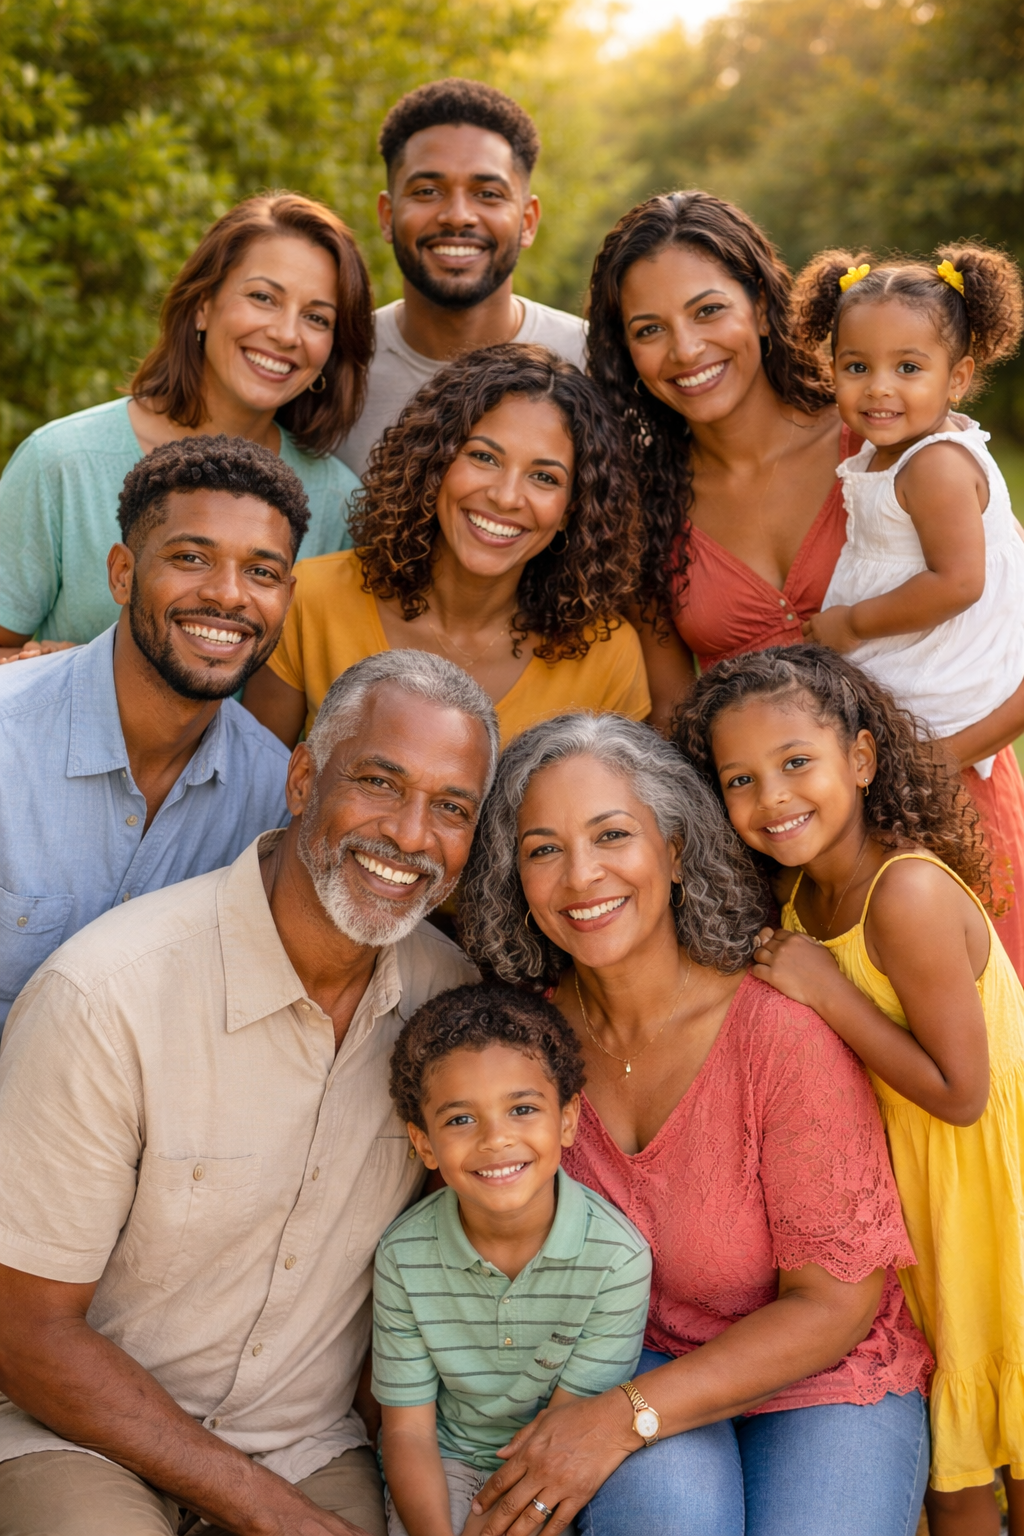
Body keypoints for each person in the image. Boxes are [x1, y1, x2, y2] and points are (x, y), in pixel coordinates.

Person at [0, 649, 498, 1536]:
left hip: (304, 1444)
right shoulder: (107, 997)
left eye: (451, 808)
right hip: (76, 1437)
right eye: (380, 782)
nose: (412, 836)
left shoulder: (451, 1014)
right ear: (302, 777)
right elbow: (25, 1333)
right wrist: (276, 1516)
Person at [459, 713, 933, 1536]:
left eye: (612, 835)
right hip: (626, 1356)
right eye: (543, 849)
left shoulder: (777, 1031)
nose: (581, 876)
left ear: (675, 851)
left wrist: (619, 1420)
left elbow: (833, 1306)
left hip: (823, 1368)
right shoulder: (521, 1050)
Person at [587, 189, 1024, 979]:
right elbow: (673, 711)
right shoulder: (645, 509)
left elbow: (1003, 610)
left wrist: (916, 775)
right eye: (649, 330)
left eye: (708, 309)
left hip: (954, 803)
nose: (685, 349)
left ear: (762, 306)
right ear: (627, 352)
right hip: (787, 857)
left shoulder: (887, 427)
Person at [676, 644, 1024, 1536]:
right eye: (741, 779)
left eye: (798, 764)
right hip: (912, 1205)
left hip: (988, 1201)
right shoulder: (798, 901)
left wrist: (826, 992)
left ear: (862, 761)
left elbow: (961, 1092)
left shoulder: (902, 894)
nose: (774, 797)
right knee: (953, 1471)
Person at [0, 434, 304, 1031]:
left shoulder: (275, 799)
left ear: (287, 597)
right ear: (122, 574)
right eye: (192, 558)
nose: (228, 594)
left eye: (262, 571)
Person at [0, 191, 373, 660]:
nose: (286, 333)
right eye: (263, 297)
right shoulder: (62, 461)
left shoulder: (336, 502)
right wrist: (66, 671)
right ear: (202, 305)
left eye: (317, 318)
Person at [245, 345, 649, 749]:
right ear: (435, 462)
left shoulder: (608, 656)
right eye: (484, 457)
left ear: (570, 510)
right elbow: (258, 795)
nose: (506, 497)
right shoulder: (314, 601)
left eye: (544, 478)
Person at [375, 982, 651, 1536]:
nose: (497, 1139)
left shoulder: (617, 1259)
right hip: (444, 1464)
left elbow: (565, 1434)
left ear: (568, 1119)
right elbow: (407, 1433)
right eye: (459, 1120)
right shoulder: (403, 1257)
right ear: (424, 1143)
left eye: (522, 1109)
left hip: (555, 1466)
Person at [795, 245, 1024, 783]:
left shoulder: (934, 465)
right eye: (857, 366)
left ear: (958, 378)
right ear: (832, 370)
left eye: (908, 367)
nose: (879, 386)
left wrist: (852, 623)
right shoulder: (909, 447)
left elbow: (959, 583)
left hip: (941, 669)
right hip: (926, 648)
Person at [335, 78, 587, 478]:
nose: (457, 215)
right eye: (427, 191)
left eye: (487, 194)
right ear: (387, 215)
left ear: (527, 220)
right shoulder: (333, 368)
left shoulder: (596, 361)